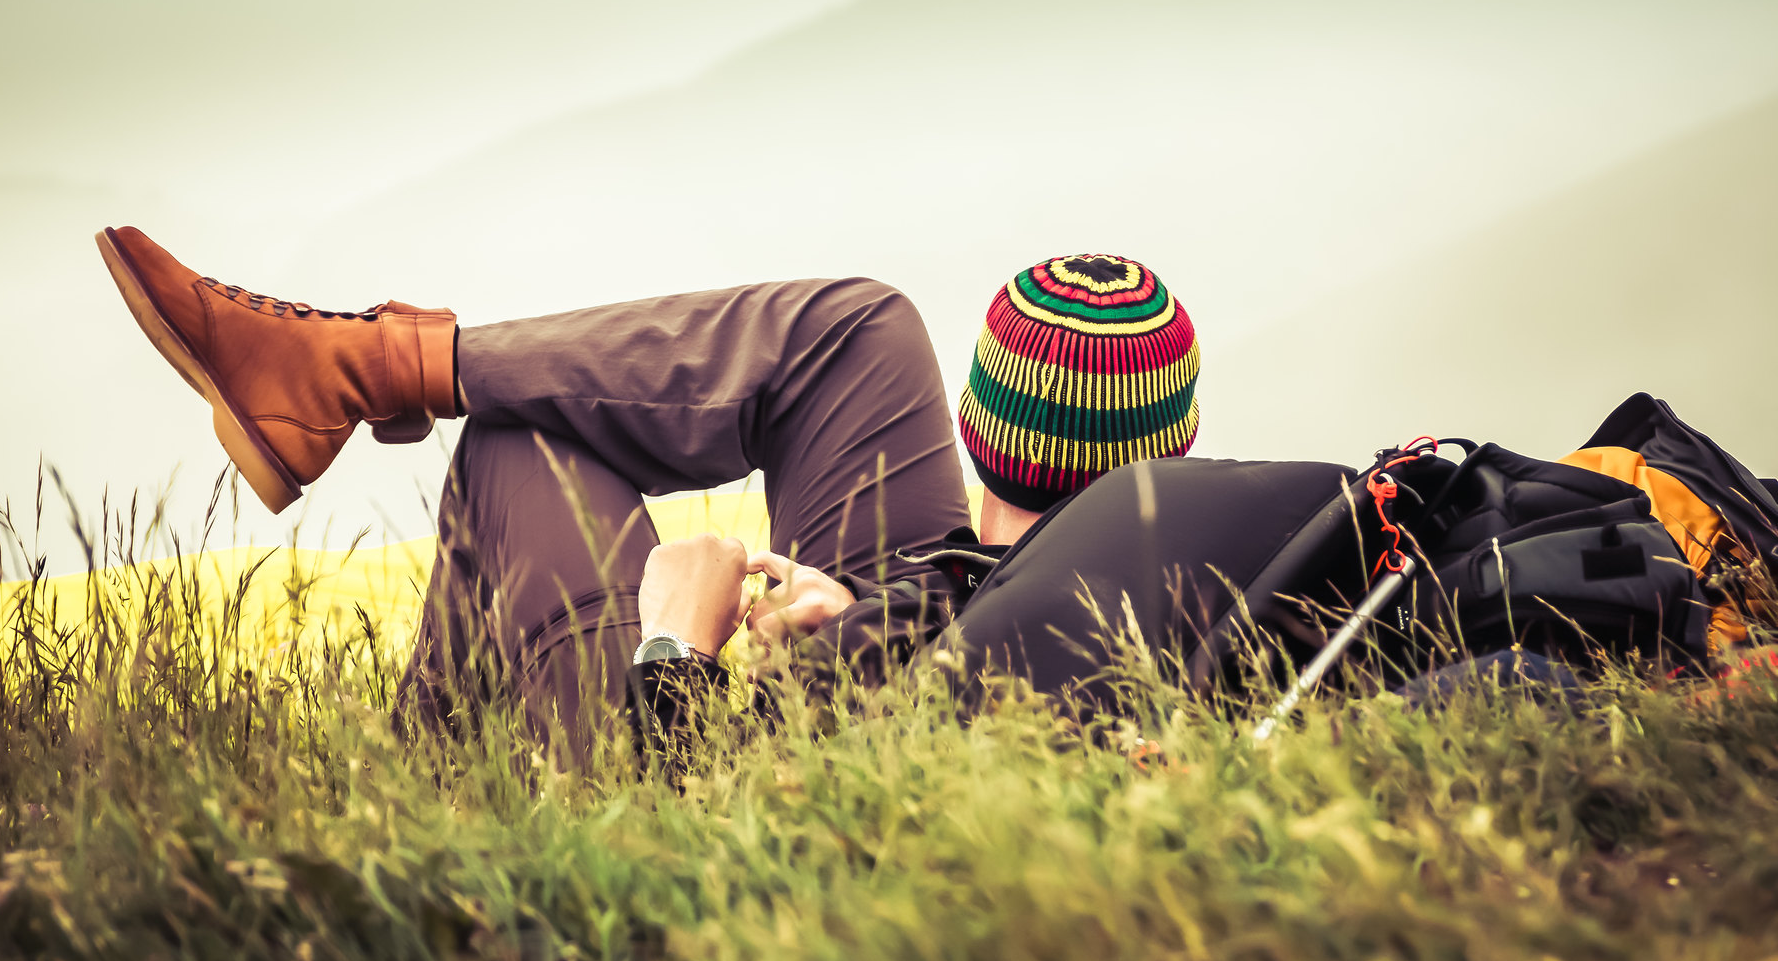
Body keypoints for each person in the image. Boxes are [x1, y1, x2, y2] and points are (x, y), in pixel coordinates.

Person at [94, 228, 1202, 762]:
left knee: (517, 447)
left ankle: (423, 803)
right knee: (860, 325)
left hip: (699, 736)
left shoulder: (1122, 672)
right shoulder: (1250, 569)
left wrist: (679, 633)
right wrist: (865, 607)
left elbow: (692, 789)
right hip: (942, 590)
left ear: (975, 421)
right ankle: (366, 365)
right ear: (1180, 447)